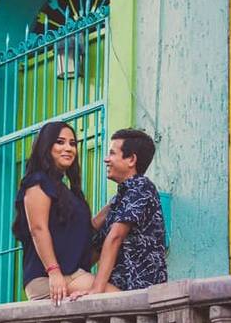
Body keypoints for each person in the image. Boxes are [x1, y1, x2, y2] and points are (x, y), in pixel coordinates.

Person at [71, 128, 167, 298]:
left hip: (139, 292)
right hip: (120, 292)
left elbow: (115, 237)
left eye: (112, 153)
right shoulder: (118, 199)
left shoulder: (141, 187)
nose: (106, 159)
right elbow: (95, 241)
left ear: (131, 159)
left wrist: (96, 290)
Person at [12, 121, 94, 306]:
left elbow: (85, 231)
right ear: (46, 146)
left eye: (72, 143)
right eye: (60, 142)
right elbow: (38, 228)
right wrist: (54, 272)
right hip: (47, 278)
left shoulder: (69, 193)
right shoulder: (37, 182)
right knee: (112, 298)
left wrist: (113, 207)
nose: (68, 148)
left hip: (72, 274)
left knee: (117, 297)